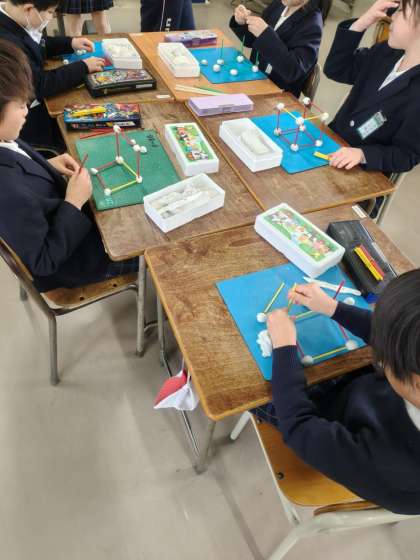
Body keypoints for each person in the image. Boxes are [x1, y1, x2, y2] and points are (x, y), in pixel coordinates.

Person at [254, 271, 420, 514]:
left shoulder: (392, 465)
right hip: (361, 394)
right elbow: (395, 336)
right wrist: (332, 307)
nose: (382, 351)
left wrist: (284, 345)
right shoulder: (411, 375)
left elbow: (299, 427)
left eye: (388, 358)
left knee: (245, 389)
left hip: (318, 422)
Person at [0, 39, 137, 292]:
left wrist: (45, 165)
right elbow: (43, 261)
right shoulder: (6, 192)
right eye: (20, 105)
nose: (27, 110)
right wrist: (74, 202)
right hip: (79, 259)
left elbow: (18, 166)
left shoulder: (5, 137)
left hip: (66, 217)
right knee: (157, 247)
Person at [325, 0, 420, 173]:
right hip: (331, 144)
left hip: (362, 172)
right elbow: (336, 69)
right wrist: (363, 22)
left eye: (400, 11)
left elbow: (406, 154)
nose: (392, 16)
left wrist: (363, 154)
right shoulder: (385, 52)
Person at [0, 0, 105, 149]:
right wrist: (83, 67)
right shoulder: (7, 41)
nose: (51, 17)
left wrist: (70, 43)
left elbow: (38, 43)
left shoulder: (13, 21)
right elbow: (39, 85)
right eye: (50, 12)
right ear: (29, 9)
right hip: (26, 123)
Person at [229, 0, 326, 98]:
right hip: (254, 79)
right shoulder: (279, 4)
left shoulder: (312, 24)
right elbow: (252, 41)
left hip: (277, 95)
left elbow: (293, 70)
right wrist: (241, 23)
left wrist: (265, 35)